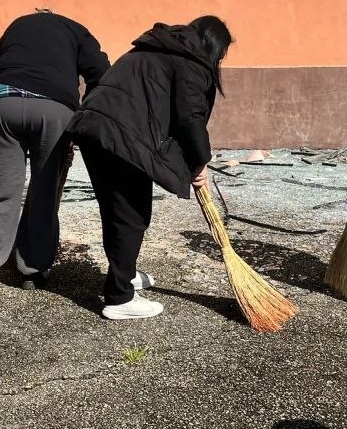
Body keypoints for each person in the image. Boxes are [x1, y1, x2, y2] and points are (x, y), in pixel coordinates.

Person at [66, 16, 232, 321]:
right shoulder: (190, 61)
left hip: (93, 128)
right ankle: (119, 298)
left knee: (116, 210)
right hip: (120, 135)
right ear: (213, 46)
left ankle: (124, 274)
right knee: (132, 214)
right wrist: (200, 162)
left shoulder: (154, 48)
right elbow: (189, 117)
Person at [0, 9, 111, 303]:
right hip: (53, 108)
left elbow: (4, 63)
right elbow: (101, 73)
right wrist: (86, 111)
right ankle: (31, 270)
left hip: (4, 101)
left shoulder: (15, 26)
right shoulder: (76, 30)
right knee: (44, 190)